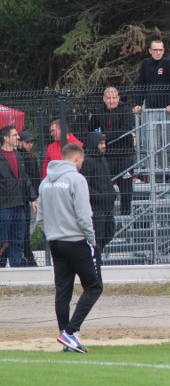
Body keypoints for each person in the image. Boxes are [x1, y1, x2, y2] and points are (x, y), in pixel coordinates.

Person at [37, 142, 102, 353]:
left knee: (63, 292)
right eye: (81, 160)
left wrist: (52, 233)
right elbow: (84, 215)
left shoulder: (45, 182)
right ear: (76, 158)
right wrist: (91, 240)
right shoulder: (76, 179)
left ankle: (67, 339)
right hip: (76, 241)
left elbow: (40, 218)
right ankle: (70, 332)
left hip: (55, 242)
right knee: (93, 287)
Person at [90, 87, 136, 215]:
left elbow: (125, 129)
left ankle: (126, 220)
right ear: (104, 99)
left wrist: (104, 136)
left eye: (114, 98)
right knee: (105, 190)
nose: (112, 101)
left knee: (126, 191)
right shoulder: (98, 112)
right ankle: (107, 217)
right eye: (109, 98)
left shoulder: (126, 110)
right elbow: (91, 131)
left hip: (125, 157)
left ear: (118, 98)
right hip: (106, 157)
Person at [0, 125, 38, 268]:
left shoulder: (19, 156)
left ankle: (16, 270)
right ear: (6, 138)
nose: (18, 138)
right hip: (4, 206)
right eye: (15, 135)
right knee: (2, 239)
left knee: (18, 239)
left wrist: (33, 198)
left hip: (19, 205)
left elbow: (25, 179)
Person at [79, 132, 117, 251]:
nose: (104, 146)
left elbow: (107, 179)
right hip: (96, 208)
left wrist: (112, 194)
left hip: (107, 206)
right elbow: (85, 185)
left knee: (109, 232)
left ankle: (97, 256)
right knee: (97, 237)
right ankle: (96, 260)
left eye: (104, 143)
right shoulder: (87, 161)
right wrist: (99, 197)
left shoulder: (103, 159)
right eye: (101, 143)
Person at [133, 38, 170, 115]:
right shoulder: (146, 63)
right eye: (155, 50)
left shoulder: (168, 63)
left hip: (166, 109)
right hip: (150, 107)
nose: (158, 52)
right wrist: (138, 104)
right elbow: (141, 84)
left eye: (160, 50)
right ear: (150, 51)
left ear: (163, 50)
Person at [17, 131, 40, 265]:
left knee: (27, 230)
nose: (30, 145)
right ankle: (29, 259)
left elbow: (36, 179)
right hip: (22, 199)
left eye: (31, 142)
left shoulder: (31, 158)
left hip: (30, 199)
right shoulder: (19, 157)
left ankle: (27, 258)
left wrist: (35, 197)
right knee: (22, 231)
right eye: (27, 142)